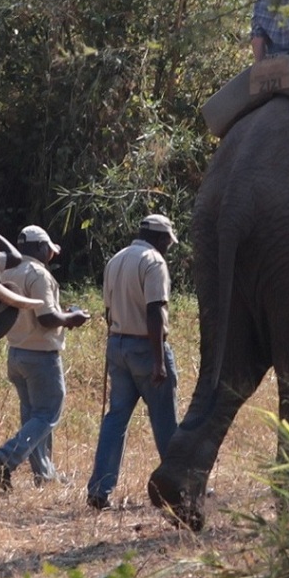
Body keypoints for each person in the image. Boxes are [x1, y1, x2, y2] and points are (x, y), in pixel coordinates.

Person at [87, 213, 180, 510]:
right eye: (168, 241)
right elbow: (154, 311)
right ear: (159, 237)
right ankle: (177, 484)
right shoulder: (153, 262)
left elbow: (108, 308)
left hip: (117, 343)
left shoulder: (116, 259)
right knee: (164, 418)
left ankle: (99, 489)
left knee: (115, 419)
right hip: (146, 346)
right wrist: (159, 362)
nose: (168, 247)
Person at [0, 225, 89, 489]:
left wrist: (61, 315)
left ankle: (44, 474)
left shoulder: (8, 270)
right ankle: (6, 457)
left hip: (16, 352)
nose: (50, 255)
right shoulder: (38, 274)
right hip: (41, 355)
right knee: (47, 415)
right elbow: (46, 319)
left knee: (33, 419)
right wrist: (72, 318)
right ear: (41, 248)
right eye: (49, 250)